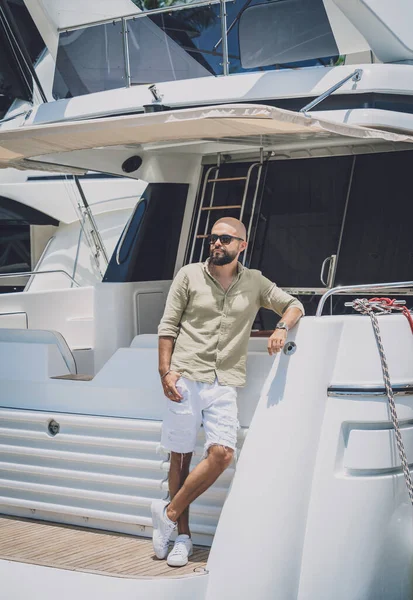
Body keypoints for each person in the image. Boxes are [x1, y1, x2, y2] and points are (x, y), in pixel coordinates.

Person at [151, 217, 304, 566]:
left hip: (225, 381)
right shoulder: (188, 275)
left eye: (225, 238)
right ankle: (183, 539)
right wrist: (165, 372)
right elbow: (167, 326)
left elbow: (293, 303)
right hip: (185, 375)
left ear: (242, 245)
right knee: (181, 456)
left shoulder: (255, 282)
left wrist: (282, 327)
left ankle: (168, 514)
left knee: (222, 454)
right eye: (213, 238)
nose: (217, 243)